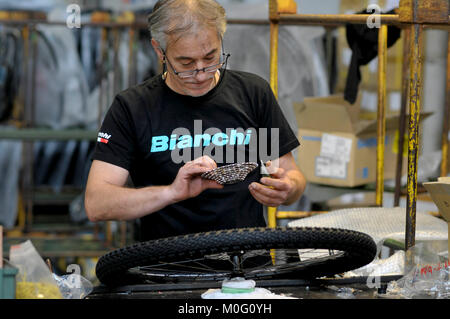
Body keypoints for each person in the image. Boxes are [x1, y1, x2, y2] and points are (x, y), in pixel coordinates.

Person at [84, 0, 306, 241]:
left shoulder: (253, 94)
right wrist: (171, 193)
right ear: (159, 51)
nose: (201, 74)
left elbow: (292, 174)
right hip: (167, 268)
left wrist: (288, 188)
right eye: (186, 63)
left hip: (246, 266)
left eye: (211, 57)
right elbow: (97, 203)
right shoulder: (133, 107)